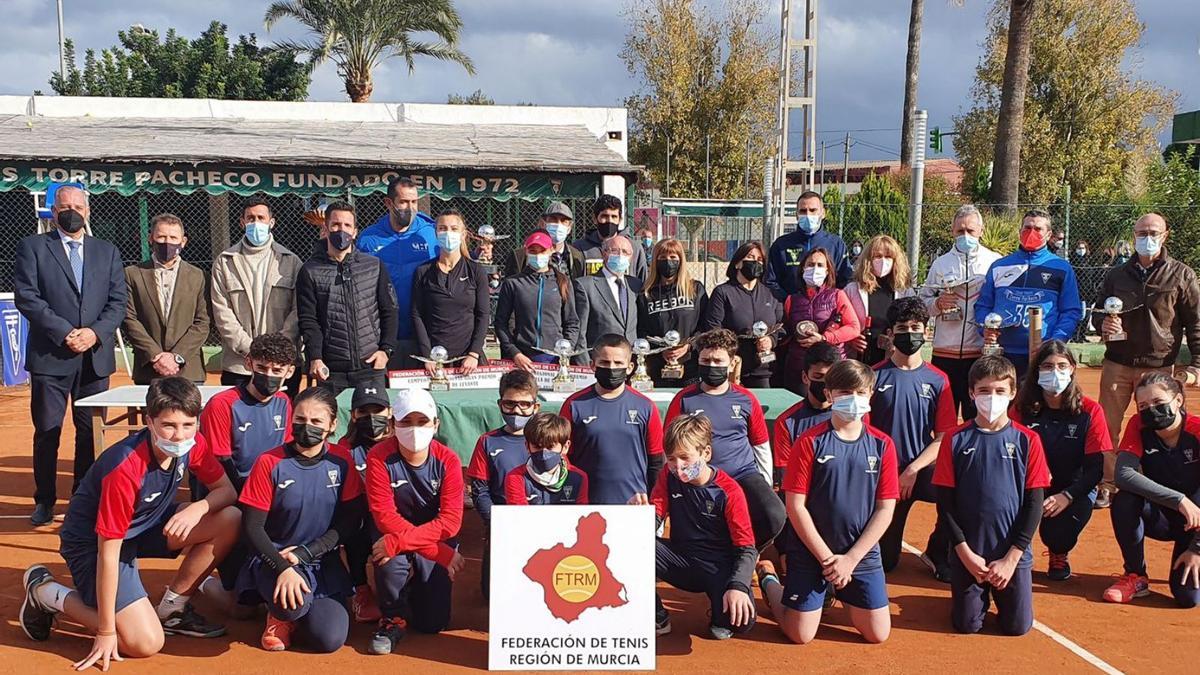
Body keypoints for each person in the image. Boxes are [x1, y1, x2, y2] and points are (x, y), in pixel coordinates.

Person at [20, 378, 241, 669]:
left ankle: (172, 608)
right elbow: (108, 555)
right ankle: (46, 593)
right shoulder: (124, 468)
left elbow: (227, 491)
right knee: (143, 643)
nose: (179, 436)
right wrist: (106, 631)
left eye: (188, 424)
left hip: (144, 525)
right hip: (93, 544)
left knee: (230, 518)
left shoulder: (193, 443)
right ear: (149, 421)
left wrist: (197, 508)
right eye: (169, 426)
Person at [757, 359, 898, 645]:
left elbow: (885, 508)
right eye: (845, 392)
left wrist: (850, 560)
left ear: (871, 394)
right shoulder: (809, 442)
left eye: (860, 392)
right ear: (830, 394)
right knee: (801, 635)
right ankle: (770, 581)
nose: (854, 400)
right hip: (812, 552)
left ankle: (839, 590)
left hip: (860, 554)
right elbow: (795, 506)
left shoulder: (883, 444)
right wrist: (827, 559)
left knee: (878, 634)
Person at [14, 184, 127, 526]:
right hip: (51, 357)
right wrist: (65, 333)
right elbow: (28, 297)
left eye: (78, 206)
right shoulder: (32, 247)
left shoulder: (106, 251)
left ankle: (83, 497)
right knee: (48, 430)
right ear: (53, 210)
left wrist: (94, 333)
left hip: (94, 357)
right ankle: (45, 500)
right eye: (65, 205)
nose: (72, 211)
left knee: (89, 431)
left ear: (88, 211)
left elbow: (117, 301)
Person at [236, 386, 361, 653]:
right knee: (290, 606)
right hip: (275, 558)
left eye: (317, 421)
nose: (308, 427)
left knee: (329, 640)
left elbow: (350, 521)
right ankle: (279, 614)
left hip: (319, 558)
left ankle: (302, 610)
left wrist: (308, 552)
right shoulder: (269, 462)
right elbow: (252, 527)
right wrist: (282, 566)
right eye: (300, 419)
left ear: (332, 425)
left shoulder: (342, 461)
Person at [933, 356, 1051, 636]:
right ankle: (971, 595)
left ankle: (1003, 588)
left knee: (1017, 628)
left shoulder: (1027, 440)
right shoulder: (955, 439)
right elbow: (945, 504)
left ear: (1012, 394)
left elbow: (1034, 504)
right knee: (967, 625)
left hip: (1011, 553)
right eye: (984, 391)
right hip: (969, 552)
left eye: (1000, 391)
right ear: (971, 394)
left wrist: (1012, 558)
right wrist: (964, 553)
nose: (992, 397)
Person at [1092, 213, 1200, 509]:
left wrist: (1196, 367)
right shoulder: (1116, 275)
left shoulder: (1182, 274)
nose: (1146, 237)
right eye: (1141, 232)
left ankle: (1162, 484)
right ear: (1133, 234)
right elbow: (1099, 312)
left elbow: (1196, 324)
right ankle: (1109, 483)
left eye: (1153, 232)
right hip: (1117, 362)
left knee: (1163, 426)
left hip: (1160, 368)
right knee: (1107, 427)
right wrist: (1104, 326)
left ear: (1165, 235)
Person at [196, 332, 295, 608]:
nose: (269, 375)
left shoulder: (285, 404)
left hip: (268, 500)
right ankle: (204, 582)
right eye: (262, 367)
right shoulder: (222, 404)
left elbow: (285, 458)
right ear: (249, 363)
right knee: (242, 608)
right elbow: (222, 465)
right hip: (235, 502)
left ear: (290, 371)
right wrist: (257, 504)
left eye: (277, 370)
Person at [364, 388, 465, 655]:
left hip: (432, 533)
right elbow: (384, 517)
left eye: (422, 422)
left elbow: (450, 522)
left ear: (436, 424)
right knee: (385, 554)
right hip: (395, 532)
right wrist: (439, 553)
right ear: (392, 425)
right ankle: (392, 617)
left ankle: (414, 590)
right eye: (406, 422)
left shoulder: (448, 460)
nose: (414, 429)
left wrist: (414, 544)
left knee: (433, 623)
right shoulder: (378, 457)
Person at [664, 329, 786, 550]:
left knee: (774, 514)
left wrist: (765, 483)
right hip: (700, 477)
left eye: (718, 360)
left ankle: (746, 553)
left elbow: (760, 445)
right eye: (706, 360)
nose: (711, 365)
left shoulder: (746, 399)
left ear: (731, 363)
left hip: (743, 474)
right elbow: (669, 447)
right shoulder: (684, 400)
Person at [867, 298, 957, 580]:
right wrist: (891, 475)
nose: (909, 333)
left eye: (916, 327)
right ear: (891, 335)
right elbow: (863, 434)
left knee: (960, 490)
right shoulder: (873, 376)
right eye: (902, 328)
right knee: (885, 562)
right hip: (884, 475)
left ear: (926, 332)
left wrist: (912, 470)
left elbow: (943, 436)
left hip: (919, 470)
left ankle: (938, 550)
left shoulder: (938, 380)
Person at [648, 415, 757, 640]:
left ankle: (766, 578)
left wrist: (737, 585)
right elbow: (654, 517)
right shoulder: (667, 477)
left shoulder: (729, 491)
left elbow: (746, 548)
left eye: (685, 458)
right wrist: (639, 518)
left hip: (719, 568)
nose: (678, 467)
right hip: (681, 561)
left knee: (740, 623)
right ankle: (656, 616)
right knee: (634, 545)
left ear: (706, 453)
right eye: (671, 459)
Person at [1011, 340, 1110, 581]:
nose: (1054, 372)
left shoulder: (1090, 410)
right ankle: (1012, 550)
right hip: (1031, 482)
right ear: (1036, 371)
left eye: (1061, 365)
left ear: (1073, 368)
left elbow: (1096, 468)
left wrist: (1067, 496)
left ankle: (1059, 551)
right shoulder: (1022, 408)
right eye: (1046, 366)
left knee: (1059, 533)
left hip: (1071, 488)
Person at [1102, 373, 1200, 608]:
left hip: (1197, 523)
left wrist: (1197, 547)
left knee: (1188, 599)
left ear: (1178, 401)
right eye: (1143, 405)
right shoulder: (1138, 425)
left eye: (1158, 402)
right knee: (1124, 499)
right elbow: (1123, 475)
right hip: (1165, 515)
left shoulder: (1196, 431)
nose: (1151, 410)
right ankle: (1135, 575)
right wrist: (1178, 500)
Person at [296, 201, 399, 394]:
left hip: (370, 366)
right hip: (330, 370)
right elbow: (309, 320)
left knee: (374, 423)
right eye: (335, 225)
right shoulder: (309, 271)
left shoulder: (374, 266)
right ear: (325, 228)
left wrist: (385, 350)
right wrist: (315, 357)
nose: (341, 230)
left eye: (347, 225)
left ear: (355, 231)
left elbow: (390, 311)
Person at [974, 209, 1083, 381]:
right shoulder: (999, 266)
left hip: (1043, 355)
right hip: (1002, 353)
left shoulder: (1061, 268)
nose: (1031, 232)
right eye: (1027, 228)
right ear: (1019, 232)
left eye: (1038, 229)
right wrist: (985, 329)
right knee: (1002, 405)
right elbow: (983, 305)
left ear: (1049, 235)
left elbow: (1071, 311)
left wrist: (1055, 342)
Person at [210, 198, 304, 395]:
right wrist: (250, 349)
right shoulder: (225, 262)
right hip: (240, 364)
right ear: (242, 222)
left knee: (281, 421)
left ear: (271, 222)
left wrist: (277, 349)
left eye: (261, 218)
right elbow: (222, 311)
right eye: (250, 218)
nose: (256, 223)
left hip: (281, 365)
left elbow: (298, 310)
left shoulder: (291, 262)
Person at [560, 334, 664, 504]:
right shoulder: (574, 405)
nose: (611, 368)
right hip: (586, 505)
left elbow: (656, 463)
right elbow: (563, 458)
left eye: (618, 363)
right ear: (592, 365)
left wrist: (654, 507)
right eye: (604, 363)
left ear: (630, 367)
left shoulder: (646, 407)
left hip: (634, 505)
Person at [922, 204, 1002, 421]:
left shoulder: (994, 262)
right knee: (941, 418)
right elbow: (924, 302)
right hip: (944, 353)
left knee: (976, 416)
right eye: (960, 231)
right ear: (952, 231)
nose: (965, 236)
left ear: (981, 232)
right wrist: (938, 303)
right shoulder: (940, 264)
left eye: (970, 231)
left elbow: (1000, 303)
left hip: (978, 353)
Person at [467, 369, 541, 597]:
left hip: (541, 524)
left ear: (535, 407)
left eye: (524, 405)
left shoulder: (547, 441)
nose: (517, 410)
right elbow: (480, 491)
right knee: (493, 596)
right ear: (500, 404)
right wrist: (499, 521)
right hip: (501, 525)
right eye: (510, 404)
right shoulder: (487, 442)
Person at [357, 177, 439, 368]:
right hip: (382, 336)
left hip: (424, 334)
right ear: (388, 203)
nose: (410, 207)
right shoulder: (368, 238)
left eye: (414, 202)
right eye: (403, 202)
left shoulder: (431, 233)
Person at [122, 213, 210, 384]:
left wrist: (177, 356)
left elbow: (203, 322)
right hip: (149, 370)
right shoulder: (132, 274)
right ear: (150, 238)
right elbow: (128, 319)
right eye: (161, 237)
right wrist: (156, 356)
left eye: (173, 237)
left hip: (188, 370)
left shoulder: (199, 276)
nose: (167, 242)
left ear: (183, 241)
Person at [337, 377, 392, 624]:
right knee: (353, 523)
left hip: (393, 520)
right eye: (363, 411)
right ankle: (360, 588)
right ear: (353, 415)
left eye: (378, 410)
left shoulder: (400, 445)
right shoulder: (345, 448)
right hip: (359, 518)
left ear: (389, 412)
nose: (371, 418)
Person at [410, 209, 489, 374]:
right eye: (442, 228)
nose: (448, 233)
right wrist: (427, 355)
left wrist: (474, 354)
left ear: (463, 234)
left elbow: (483, 315)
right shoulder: (423, 271)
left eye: (454, 229)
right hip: (432, 362)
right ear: (436, 232)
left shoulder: (476, 271)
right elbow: (417, 315)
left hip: (467, 362)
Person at [494, 229, 580, 371]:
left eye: (542, 251)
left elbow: (572, 321)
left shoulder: (563, 282)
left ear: (551, 250)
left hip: (555, 357)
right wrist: (515, 353)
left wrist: (565, 351)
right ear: (526, 251)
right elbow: (501, 323)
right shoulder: (513, 283)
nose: (538, 255)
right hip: (522, 357)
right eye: (533, 251)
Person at [701, 241, 783, 389]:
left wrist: (770, 341)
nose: (755, 263)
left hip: (763, 371)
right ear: (738, 263)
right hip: (732, 369)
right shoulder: (723, 292)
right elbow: (714, 328)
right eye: (750, 257)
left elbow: (780, 326)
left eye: (760, 260)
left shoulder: (770, 294)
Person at [780, 247, 859, 393]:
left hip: (831, 367)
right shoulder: (791, 300)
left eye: (820, 265)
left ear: (828, 271)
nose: (814, 268)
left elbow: (854, 327)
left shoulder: (837, 295)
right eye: (810, 264)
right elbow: (786, 332)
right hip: (798, 367)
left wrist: (824, 338)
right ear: (803, 268)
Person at [637, 238, 709, 385]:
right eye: (662, 258)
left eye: (673, 257)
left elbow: (706, 325)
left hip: (690, 365)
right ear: (655, 261)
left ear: (681, 260)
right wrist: (660, 349)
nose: (668, 262)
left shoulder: (695, 289)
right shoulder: (646, 294)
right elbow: (641, 328)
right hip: (657, 366)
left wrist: (689, 346)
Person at [772, 342, 840, 489]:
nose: (825, 383)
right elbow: (786, 475)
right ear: (805, 377)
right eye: (818, 376)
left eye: (830, 377)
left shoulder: (853, 416)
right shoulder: (787, 422)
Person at [765, 191, 853, 300]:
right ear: (796, 214)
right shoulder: (781, 245)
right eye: (803, 211)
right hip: (790, 312)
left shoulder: (836, 244)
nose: (808, 215)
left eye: (813, 210)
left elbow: (845, 280)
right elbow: (771, 282)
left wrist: (831, 303)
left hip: (827, 312)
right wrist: (789, 302)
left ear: (823, 213)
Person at [845, 235, 915, 365]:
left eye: (888, 257)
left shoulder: (905, 292)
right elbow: (841, 322)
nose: (883, 261)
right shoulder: (852, 290)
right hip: (860, 357)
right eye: (877, 256)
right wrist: (850, 339)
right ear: (868, 260)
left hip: (894, 357)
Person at [574, 234, 641, 361]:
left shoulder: (636, 285)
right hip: (599, 362)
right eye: (615, 251)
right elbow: (579, 332)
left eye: (625, 252)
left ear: (631, 257)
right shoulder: (585, 286)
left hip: (629, 362)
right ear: (604, 253)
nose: (621, 255)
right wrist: (584, 365)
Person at [504, 412, 589, 505]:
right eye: (537, 446)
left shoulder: (578, 478)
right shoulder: (516, 477)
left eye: (550, 447)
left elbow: (580, 515)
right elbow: (518, 516)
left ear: (565, 447)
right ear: (527, 447)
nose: (544, 453)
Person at [572, 194, 648, 282]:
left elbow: (643, 283)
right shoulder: (579, 248)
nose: (609, 221)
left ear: (620, 220)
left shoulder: (634, 248)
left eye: (614, 216)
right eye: (604, 216)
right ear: (595, 219)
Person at [505, 202, 586, 279]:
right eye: (553, 220)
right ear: (542, 223)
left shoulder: (577, 256)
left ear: (569, 228)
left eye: (564, 221)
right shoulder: (519, 257)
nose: (558, 225)